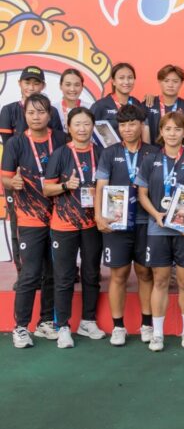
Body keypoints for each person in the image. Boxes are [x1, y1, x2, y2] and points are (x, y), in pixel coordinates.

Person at [135, 111, 184, 352]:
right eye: (167, 129)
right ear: (161, 132)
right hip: (158, 229)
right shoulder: (150, 160)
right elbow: (142, 194)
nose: (172, 133)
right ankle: (157, 334)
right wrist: (155, 215)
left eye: (177, 129)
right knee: (160, 280)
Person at [2, 94, 67, 347]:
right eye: (31, 112)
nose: (36, 117)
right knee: (30, 274)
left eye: (41, 112)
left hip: (59, 216)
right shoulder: (16, 143)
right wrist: (13, 182)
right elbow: (6, 177)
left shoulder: (61, 139)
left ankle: (45, 322)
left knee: (52, 272)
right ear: (25, 116)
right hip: (29, 217)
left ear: (50, 115)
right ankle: (20, 327)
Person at [95, 104, 160, 346]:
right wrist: (98, 216)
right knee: (119, 274)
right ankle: (118, 327)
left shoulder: (154, 152)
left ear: (141, 125)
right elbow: (100, 187)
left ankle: (147, 324)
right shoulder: (109, 153)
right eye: (123, 125)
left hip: (145, 221)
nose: (128, 129)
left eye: (132, 124)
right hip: (116, 222)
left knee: (145, 273)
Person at [43, 107, 105, 348]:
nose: (82, 129)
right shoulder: (60, 154)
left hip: (92, 224)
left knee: (91, 274)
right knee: (64, 277)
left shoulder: (100, 153)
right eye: (77, 124)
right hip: (63, 225)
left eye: (86, 124)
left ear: (92, 127)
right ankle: (63, 327)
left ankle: (88, 321)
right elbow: (47, 189)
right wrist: (65, 185)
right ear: (69, 127)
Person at [142, 65, 184, 149]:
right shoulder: (148, 105)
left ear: (181, 83)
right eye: (166, 81)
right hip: (153, 156)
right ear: (159, 82)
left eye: (175, 81)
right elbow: (145, 143)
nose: (170, 85)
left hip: (178, 156)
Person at [0, 65, 64, 143]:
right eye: (27, 83)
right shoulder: (8, 110)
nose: (31, 88)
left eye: (36, 84)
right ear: (19, 83)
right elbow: (7, 145)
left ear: (43, 86)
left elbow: (58, 141)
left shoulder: (52, 111)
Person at [89, 62, 143, 135]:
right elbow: (89, 130)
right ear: (113, 81)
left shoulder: (136, 104)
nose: (126, 82)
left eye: (130, 77)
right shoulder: (100, 106)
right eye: (121, 78)